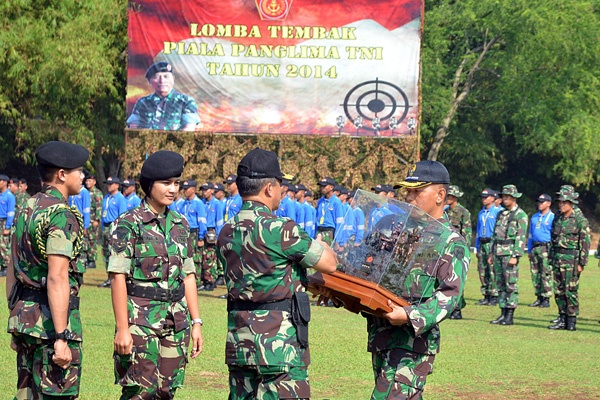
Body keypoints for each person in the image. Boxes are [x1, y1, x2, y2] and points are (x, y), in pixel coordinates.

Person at [217, 147, 337, 399]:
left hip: (240, 342)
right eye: (280, 186)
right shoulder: (280, 228)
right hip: (278, 345)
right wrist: (323, 245)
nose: (282, 193)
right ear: (269, 188)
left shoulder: (227, 231)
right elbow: (329, 263)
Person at [361, 160, 469, 399]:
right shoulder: (394, 230)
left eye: (417, 191)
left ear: (440, 195)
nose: (409, 197)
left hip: (413, 342)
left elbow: (449, 295)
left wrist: (410, 316)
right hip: (381, 335)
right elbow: (365, 269)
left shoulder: (450, 241)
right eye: (407, 191)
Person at [108, 150, 203, 398]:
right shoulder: (128, 224)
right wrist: (122, 329)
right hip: (140, 323)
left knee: (166, 392)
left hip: (176, 323)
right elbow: (117, 277)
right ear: (149, 185)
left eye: (176, 183)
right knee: (140, 392)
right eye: (166, 183)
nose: (173, 189)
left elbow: (189, 275)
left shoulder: (181, 224)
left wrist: (196, 323)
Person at [6, 140, 89, 399]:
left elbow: (12, 266)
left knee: (27, 394)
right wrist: (62, 337)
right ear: (62, 175)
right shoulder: (60, 214)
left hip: (25, 320)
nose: (83, 176)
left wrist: (15, 319)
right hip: (49, 325)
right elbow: (57, 276)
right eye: (80, 170)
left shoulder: (27, 207)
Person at [547, 185, 590, 331]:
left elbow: (584, 242)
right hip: (558, 257)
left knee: (570, 291)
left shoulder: (579, 219)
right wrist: (551, 257)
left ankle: (571, 321)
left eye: (564, 202)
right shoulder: (557, 217)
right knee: (558, 290)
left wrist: (582, 263)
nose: (561, 205)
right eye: (560, 202)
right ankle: (562, 318)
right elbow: (553, 238)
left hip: (571, 260)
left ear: (571, 203)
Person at [488, 185, 528, 326]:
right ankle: (502, 312)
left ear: (514, 198)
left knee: (510, 284)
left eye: (507, 197)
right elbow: (494, 234)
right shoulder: (501, 214)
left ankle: (510, 314)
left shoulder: (520, 215)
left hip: (509, 252)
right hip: (498, 251)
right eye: (503, 196)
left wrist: (515, 255)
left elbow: (521, 237)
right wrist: (491, 253)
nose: (504, 199)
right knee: (500, 283)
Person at [127, 62, 200, 131]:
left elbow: (188, 130)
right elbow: (134, 128)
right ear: (149, 81)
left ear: (173, 79)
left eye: (166, 76)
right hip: (146, 143)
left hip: (175, 143)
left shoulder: (186, 102)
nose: (162, 81)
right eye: (157, 77)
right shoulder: (143, 103)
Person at [445, 184, 472, 319]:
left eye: (450, 196)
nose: (448, 198)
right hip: (446, 249)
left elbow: (466, 233)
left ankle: (457, 310)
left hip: (458, 250)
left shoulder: (463, 212)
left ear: (455, 197)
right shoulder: (445, 212)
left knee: (458, 279)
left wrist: (463, 252)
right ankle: (449, 308)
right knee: (447, 279)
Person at [98, 176, 127, 288]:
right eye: (108, 184)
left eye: (111, 184)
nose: (109, 186)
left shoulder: (120, 198)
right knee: (105, 253)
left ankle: (114, 279)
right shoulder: (107, 197)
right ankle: (108, 277)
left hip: (114, 227)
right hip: (105, 226)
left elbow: (123, 215)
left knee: (113, 253)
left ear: (117, 185)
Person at [526, 194, 554, 308]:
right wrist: (529, 249)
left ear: (548, 203)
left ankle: (546, 297)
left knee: (545, 272)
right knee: (535, 273)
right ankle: (538, 296)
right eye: (539, 202)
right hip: (535, 247)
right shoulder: (534, 217)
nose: (540, 204)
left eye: (542, 202)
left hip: (546, 247)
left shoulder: (552, 217)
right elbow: (530, 234)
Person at [474, 188, 501, 306]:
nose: (484, 199)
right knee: (482, 269)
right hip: (482, 242)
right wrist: (476, 246)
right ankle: (486, 294)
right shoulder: (481, 212)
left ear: (492, 198)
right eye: (482, 197)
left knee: (492, 270)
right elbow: (478, 229)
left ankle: (494, 295)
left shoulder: (498, 211)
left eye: (486, 197)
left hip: (492, 242)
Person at [180, 179, 207, 291]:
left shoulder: (198, 203)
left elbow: (202, 221)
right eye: (184, 189)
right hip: (184, 232)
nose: (185, 191)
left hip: (194, 232)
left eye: (187, 189)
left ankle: (197, 281)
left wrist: (201, 236)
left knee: (195, 256)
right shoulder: (184, 203)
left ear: (193, 189)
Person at [316, 176, 344, 245]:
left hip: (329, 232)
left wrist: (337, 240)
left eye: (324, 186)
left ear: (331, 187)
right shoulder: (320, 201)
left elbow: (339, 222)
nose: (322, 188)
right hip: (319, 231)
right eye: (321, 186)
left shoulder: (336, 202)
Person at [85, 174, 103, 269]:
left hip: (93, 221)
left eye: (90, 181)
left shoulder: (97, 193)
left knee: (92, 240)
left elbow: (99, 207)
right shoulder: (85, 192)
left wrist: (97, 220)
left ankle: (92, 260)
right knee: (86, 240)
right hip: (86, 221)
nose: (88, 183)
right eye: (86, 181)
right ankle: (87, 258)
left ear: (94, 182)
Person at [0, 174, 16, 277]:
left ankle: (6, 266)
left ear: (5, 182)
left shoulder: (9, 196)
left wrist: (7, 227)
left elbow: (11, 212)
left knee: (4, 245)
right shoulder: (1, 195)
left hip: (5, 222)